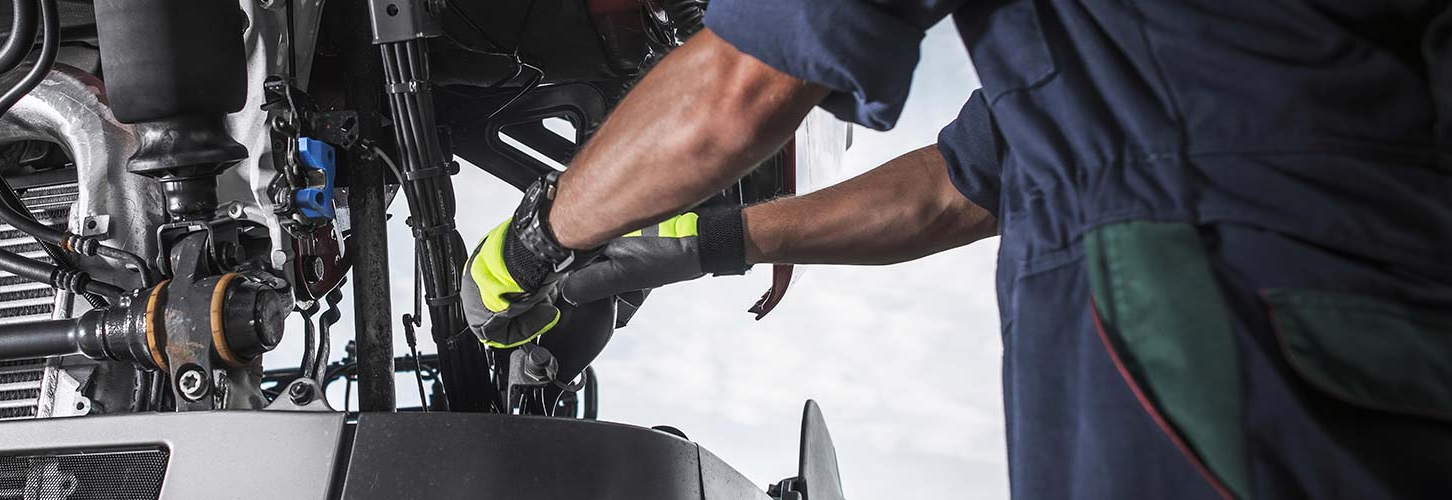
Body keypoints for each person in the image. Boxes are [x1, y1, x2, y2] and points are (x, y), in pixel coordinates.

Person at [459, 1, 1452, 498]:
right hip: (1393, 331)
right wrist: (708, 241)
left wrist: (526, 243)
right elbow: (964, 183)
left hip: (1222, 323)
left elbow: (739, 90)